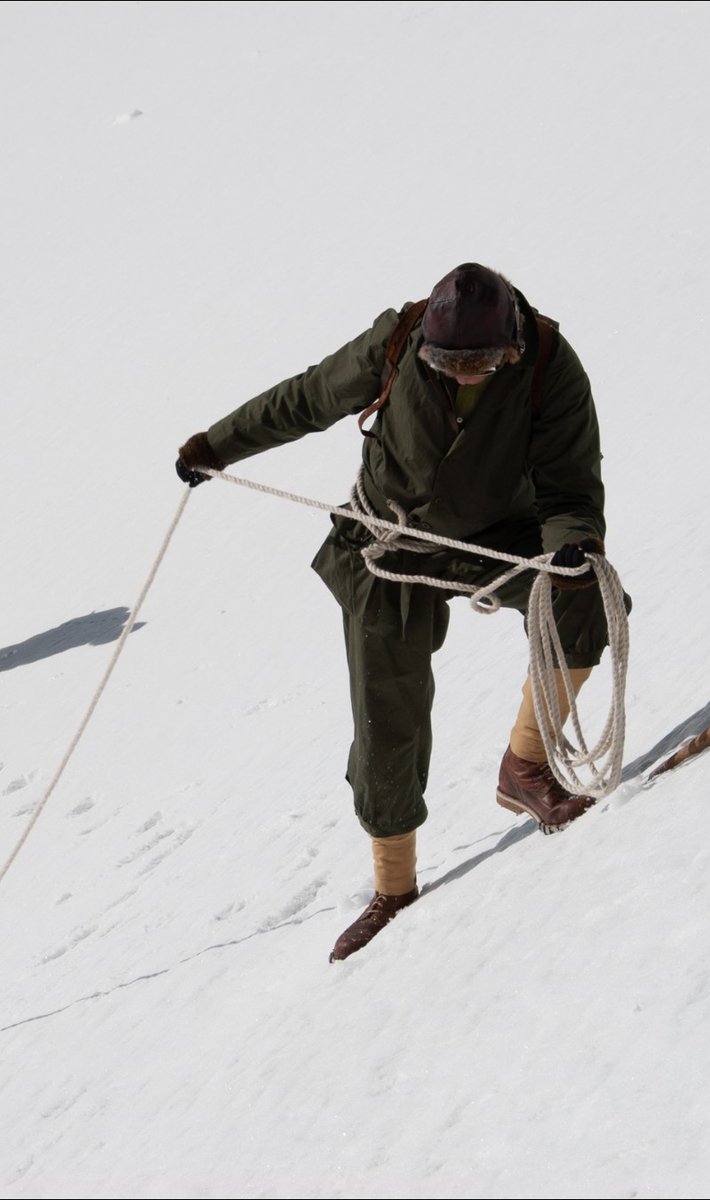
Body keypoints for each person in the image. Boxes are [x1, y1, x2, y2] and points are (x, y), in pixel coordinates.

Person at [176, 263, 626, 962]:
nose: (465, 375)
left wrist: (573, 547)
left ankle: (526, 769)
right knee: (387, 716)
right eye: (449, 363)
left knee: (587, 603)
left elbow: (571, 483)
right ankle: (394, 889)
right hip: (384, 543)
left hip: (498, 536)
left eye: (482, 363)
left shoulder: (550, 368)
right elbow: (306, 398)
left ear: (511, 343)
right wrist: (217, 447)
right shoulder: (396, 341)